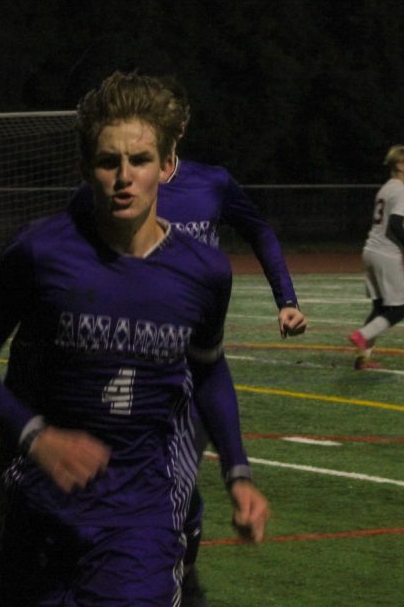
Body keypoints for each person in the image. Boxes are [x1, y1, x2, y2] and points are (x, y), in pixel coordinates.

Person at [0, 71, 269, 606]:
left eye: (139, 161)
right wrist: (35, 435)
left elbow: (209, 368)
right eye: (108, 161)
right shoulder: (38, 251)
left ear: (166, 166)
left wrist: (238, 472)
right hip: (37, 506)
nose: (124, 176)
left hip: (140, 518)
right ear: (84, 168)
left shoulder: (205, 271)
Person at [67, 75, 303, 605]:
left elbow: (259, 230)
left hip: (183, 371)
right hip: (111, 373)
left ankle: (178, 572)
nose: (126, 173)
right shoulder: (95, 206)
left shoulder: (212, 186)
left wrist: (285, 299)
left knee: (169, 490)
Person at [347, 145, 404, 369]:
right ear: (400, 165)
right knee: (398, 310)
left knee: (380, 308)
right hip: (386, 254)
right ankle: (362, 335)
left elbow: (390, 225)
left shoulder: (387, 188)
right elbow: (394, 224)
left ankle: (363, 359)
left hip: (370, 251)